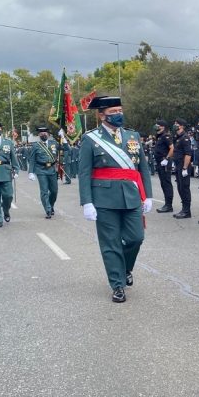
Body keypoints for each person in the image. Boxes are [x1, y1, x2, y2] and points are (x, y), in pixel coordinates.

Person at [78, 96, 153, 303]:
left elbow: (142, 168)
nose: (118, 114)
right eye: (113, 112)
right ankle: (117, 284)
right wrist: (87, 202)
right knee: (110, 243)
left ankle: (125, 268)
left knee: (136, 238)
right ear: (101, 115)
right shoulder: (91, 138)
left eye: (120, 110)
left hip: (131, 195)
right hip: (104, 198)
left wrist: (148, 195)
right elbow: (84, 172)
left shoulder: (133, 136)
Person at [28, 126, 62, 218]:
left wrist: (63, 138)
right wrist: (31, 172)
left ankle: (51, 205)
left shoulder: (54, 143)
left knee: (54, 191)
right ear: (39, 134)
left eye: (45, 132)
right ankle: (48, 210)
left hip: (52, 170)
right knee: (44, 191)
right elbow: (32, 159)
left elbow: (66, 148)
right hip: (41, 170)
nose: (43, 133)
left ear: (48, 134)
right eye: (41, 132)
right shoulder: (35, 145)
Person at [172, 119, 194, 219]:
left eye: (177, 124)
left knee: (184, 188)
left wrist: (185, 167)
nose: (175, 125)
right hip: (178, 165)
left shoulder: (185, 138)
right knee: (180, 187)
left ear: (182, 126)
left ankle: (186, 211)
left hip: (183, 165)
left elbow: (188, 154)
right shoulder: (177, 137)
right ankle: (183, 209)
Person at [153, 120, 175, 213]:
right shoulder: (159, 136)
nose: (156, 126)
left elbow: (172, 148)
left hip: (164, 162)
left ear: (162, 127)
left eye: (158, 125)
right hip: (160, 162)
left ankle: (168, 205)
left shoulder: (166, 136)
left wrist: (166, 159)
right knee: (163, 183)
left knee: (166, 183)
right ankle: (167, 204)